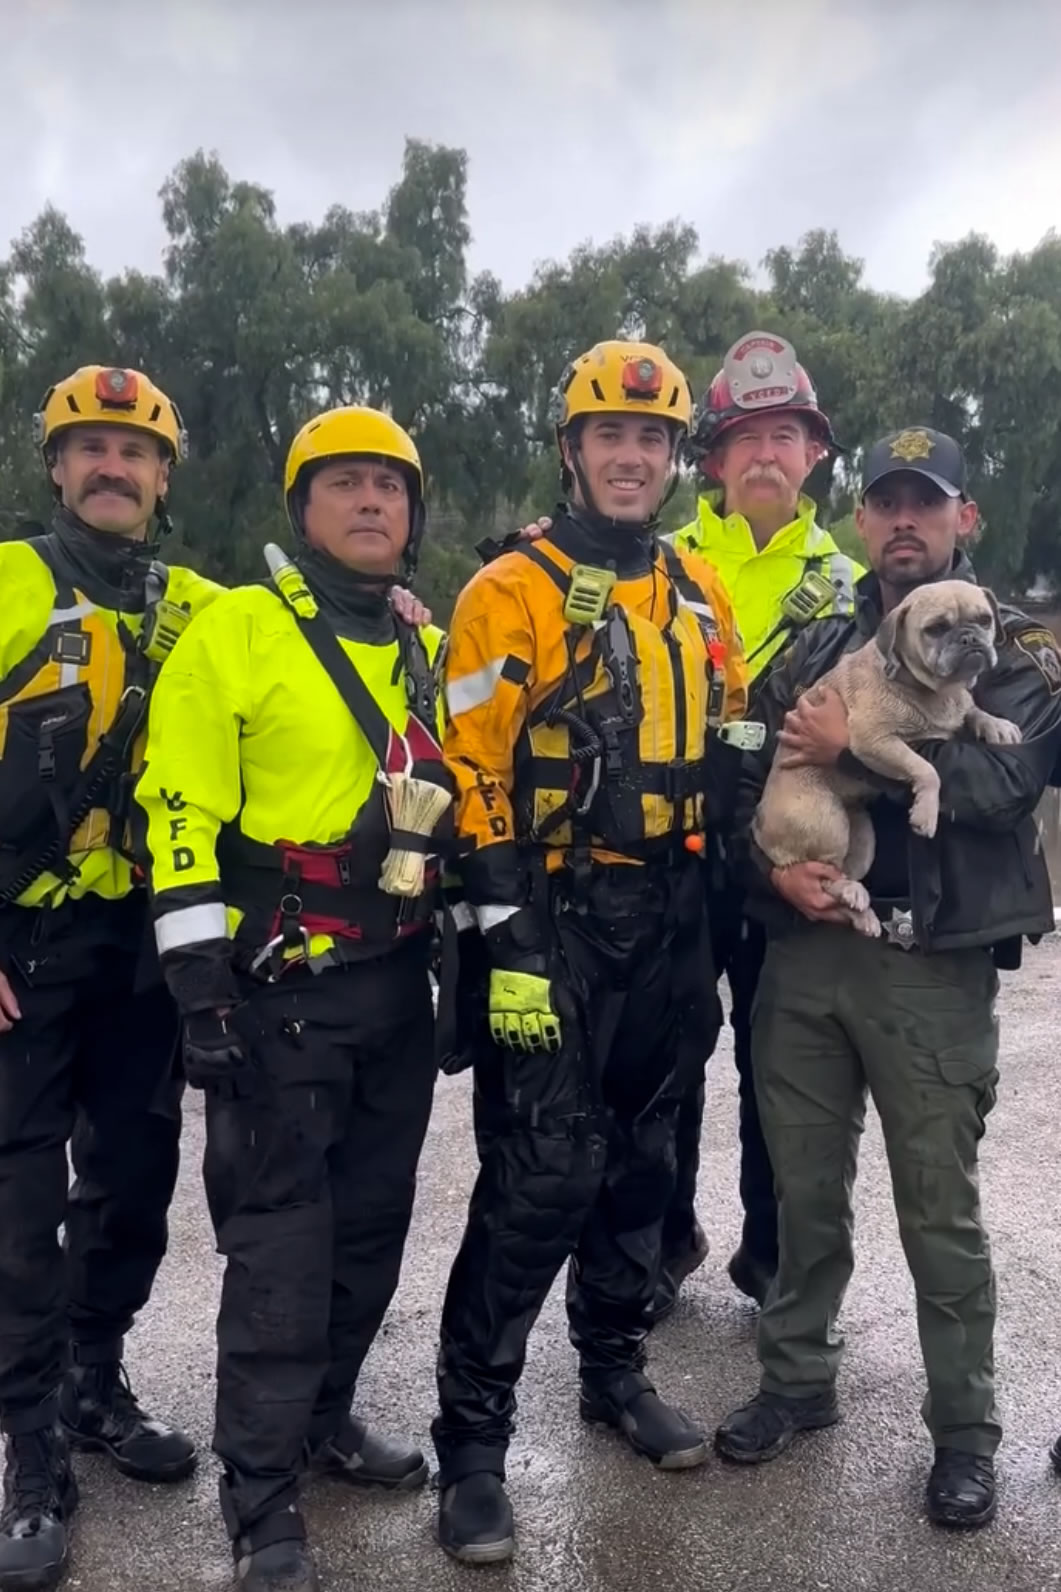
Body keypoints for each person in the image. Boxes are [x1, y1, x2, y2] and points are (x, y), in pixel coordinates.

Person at [431, 340, 748, 1564]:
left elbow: (728, 731)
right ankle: (471, 1439)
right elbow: (469, 771)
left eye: (652, 439)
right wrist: (506, 937)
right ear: (570, 448)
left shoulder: (699, 586)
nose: (631, 456)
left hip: (672, 914)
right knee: (541, 1175)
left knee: (642, 1162)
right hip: (553, 917)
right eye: (609, 435)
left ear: (675, 458)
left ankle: (611, 1369)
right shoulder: (504, 590)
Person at [714, 427, 1061, 1529]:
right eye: (885, 503)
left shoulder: (1016, 650)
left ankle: (962, 1431)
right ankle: (794, 1381)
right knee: (801, 1192)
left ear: (965, 519)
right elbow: (746, 774)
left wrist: (849, 748)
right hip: (808, 952)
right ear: (860, 521)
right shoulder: (814, 636)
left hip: (930, 970)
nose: (903, 521)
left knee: (937, 1213)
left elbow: (1003, 782)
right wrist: (776, 875)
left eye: (928, 502)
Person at [135, 405, 449, 1592]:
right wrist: (195, 983)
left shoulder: (415, 641)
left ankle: (321, 1421)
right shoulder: (239, 629)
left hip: (395, 989)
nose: (372, 502)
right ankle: (259, 1498)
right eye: (344, 484)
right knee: (280, 1251)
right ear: (301, 507)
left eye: (390, 485)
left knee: (370, 1229)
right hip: (278, 997)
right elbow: (180, 807)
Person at [0, 366, 221, 1592]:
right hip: (21, 944)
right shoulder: (8, 580)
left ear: (162, 475)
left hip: (142, 946)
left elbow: (301, 653)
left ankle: (94, 1376)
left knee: (134, 1180)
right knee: (22, 1214)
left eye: (133, 452)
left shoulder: (201, 602)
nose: (111, 468)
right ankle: (30, 1446)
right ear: (54, 465)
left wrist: (399, 604)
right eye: (87, 448)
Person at [657, 331, 864, 1317]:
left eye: (783, 434)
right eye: (743, 437)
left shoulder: (853, 585)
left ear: (814, 451)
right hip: (676, 857)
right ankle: (661, 1241)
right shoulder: (656, 566)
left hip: (781, 860)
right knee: (664, 1060)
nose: (764, 455)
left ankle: (769, 1254)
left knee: (779, 1065)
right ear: (710, 459)